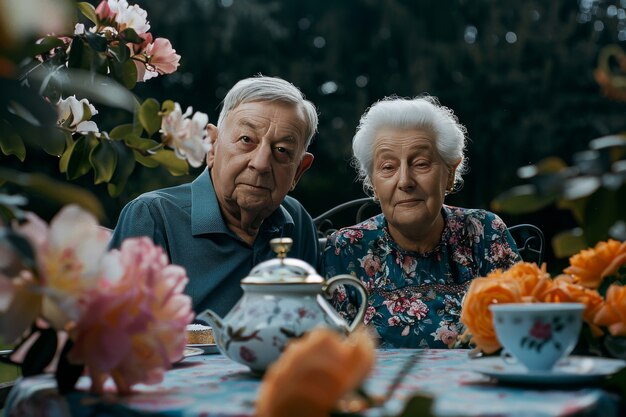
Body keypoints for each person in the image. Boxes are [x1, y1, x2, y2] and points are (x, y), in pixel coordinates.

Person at [321, 95, 521, 349]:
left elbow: (523, 329)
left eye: (421, 163)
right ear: (373, 184)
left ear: (449, 174)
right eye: (388, 167)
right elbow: (333, 353)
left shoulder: (484, 232)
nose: (404, 181)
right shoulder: (346, 249)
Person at [110, 76, 319, 316]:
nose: (261, 163)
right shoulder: (153, 217)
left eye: (282, 150)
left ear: (299, 171)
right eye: (246, 140)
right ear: (212, 145)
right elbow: (116, 331)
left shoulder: (297, 223)